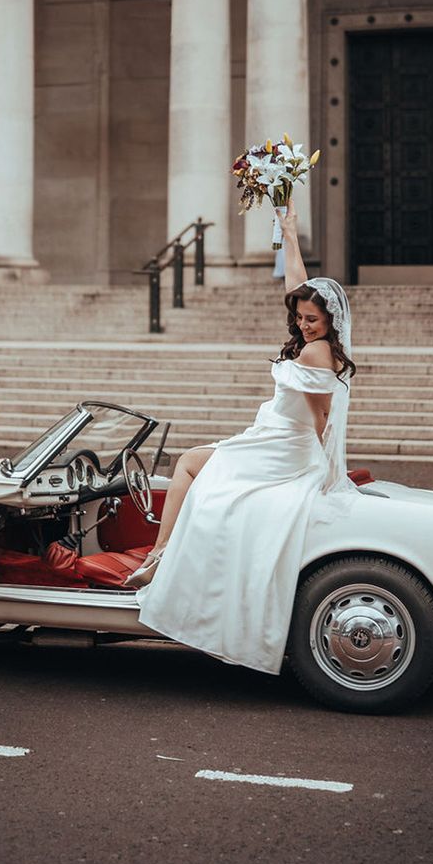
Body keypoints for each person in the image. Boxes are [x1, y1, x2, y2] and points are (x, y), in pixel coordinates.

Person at [128, 195, 359, 675]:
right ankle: (160, 556)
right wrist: (290, 231)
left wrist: (323, 474)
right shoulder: (315, 338)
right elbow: (300, 286)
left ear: (331, 321)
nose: (301, 323)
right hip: (272, 435)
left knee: (189, 462)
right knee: (193, 464)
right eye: (299, 317)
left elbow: (322, 420)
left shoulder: (318, 355)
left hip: (284, 448)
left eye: (311, 319)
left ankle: (157, 558)